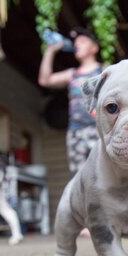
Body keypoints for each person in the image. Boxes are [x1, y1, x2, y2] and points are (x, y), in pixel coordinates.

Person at [38, 27, 103, 176]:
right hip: (76, 131)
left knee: (105, 174)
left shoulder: (104, 71)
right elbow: (44, 80)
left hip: (99, 130)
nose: (77, 44)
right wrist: (50, 50)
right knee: (79, 177)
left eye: (83, 41)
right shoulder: (72, 74)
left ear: (94, 47)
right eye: (76, 42)